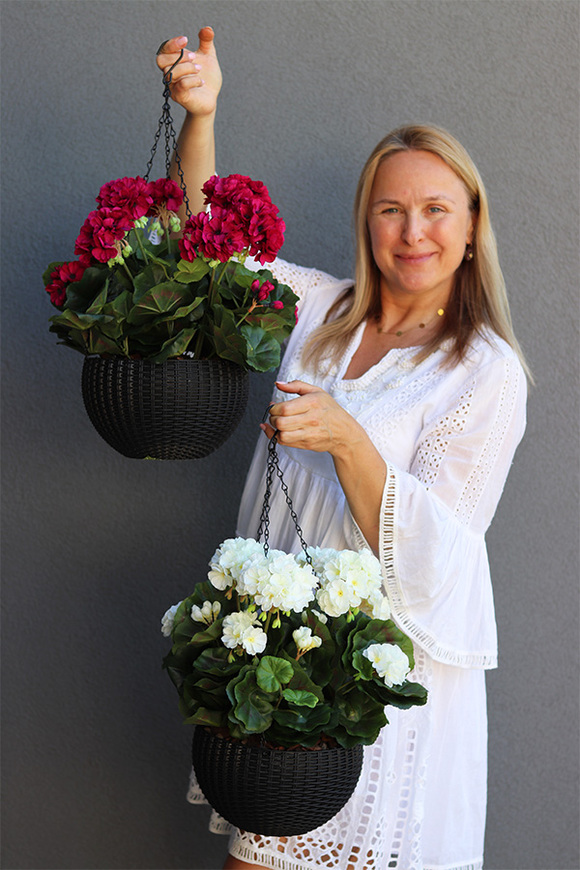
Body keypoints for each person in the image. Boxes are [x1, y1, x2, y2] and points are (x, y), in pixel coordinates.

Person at [156, 28, 528, 870]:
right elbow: (211, 248)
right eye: (391, 208)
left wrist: (350, 442)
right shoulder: (322, 313)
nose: (413, 231)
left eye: (437, 208)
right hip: (284, 674)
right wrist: (202, 116)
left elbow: (440, 558)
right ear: (368, 221)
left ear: (472, 226)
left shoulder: (483, 370)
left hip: (382, 695)